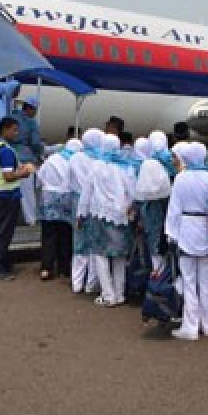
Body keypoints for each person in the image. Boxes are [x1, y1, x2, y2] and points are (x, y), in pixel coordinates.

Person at [166, 142, 208, 340]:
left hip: (186, 228)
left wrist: (171, 234)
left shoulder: (180, 179)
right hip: (206, 228)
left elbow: (174, 209)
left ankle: (190, 326)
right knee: (207, 281)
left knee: (188, 280)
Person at [77, 134, 135, 306]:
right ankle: (119, 293)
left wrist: (81, 214)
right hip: (121, 216)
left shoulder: (96, 166)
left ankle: (108, 294)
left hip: (99, 215)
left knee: (100, 255)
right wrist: (130, 210)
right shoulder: (125, 166)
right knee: (119, 256)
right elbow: (132, 192)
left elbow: (87, 192)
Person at [0, 117, 34, 280]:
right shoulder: (5, 150)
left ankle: (3, 261)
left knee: (3, 229)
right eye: (14, 130)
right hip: (7, 194)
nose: (16, 133)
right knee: (5, 231)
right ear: (5, 130)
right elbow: (8, 176)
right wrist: (24, 172)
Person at [37, 138, 79, 280]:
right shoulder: (75, 160)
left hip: (48, 197)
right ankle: (64, 268)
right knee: (65, 234)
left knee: (49, 234)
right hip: (67, 198)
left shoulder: (52, 158)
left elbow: (40, 177)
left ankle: (46, 268)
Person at [68, 130, 103, 293]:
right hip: (95, 203)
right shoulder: (100, 159)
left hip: (77, 201)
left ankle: (76, 282)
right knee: (95, 243)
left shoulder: (74, 158)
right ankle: (91, 284)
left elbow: (70, 181)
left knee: (79, 242)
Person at [134, 142, 172, 272]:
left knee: (150, 250)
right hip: (161, 227)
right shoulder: (165, 195)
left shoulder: (142, 197)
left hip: (149, 225)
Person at [15, 98, 45, 225]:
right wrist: (40, 154)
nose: (35, 113)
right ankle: (31, 219)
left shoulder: (12, 116)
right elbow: (35, 143)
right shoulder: (31, 123)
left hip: (11, 157)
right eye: (35, 110)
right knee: (28, 192)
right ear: (30, 108)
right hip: (26, 159)